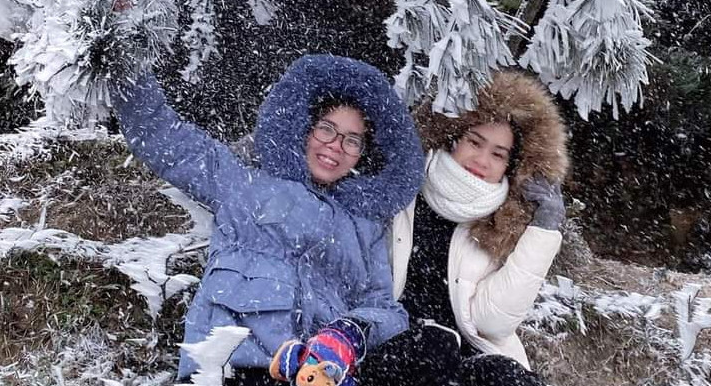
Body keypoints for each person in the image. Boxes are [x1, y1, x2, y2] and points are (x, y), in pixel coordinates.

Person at [109, 54, 425, 384]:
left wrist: (350, 332)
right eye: (327, 129)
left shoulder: (365, 227)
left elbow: (386, 310)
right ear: (305, 128)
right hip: (233, 368)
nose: (336, 146)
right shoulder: (243, 184)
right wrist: (123, 60)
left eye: (352, 140)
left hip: (313, 376)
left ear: (363, 154)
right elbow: (163, 137)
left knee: (435, 345)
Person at [357, 70, 570, 386]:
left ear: (509, 166)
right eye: (474, 141)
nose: (482, 160)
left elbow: (492, 323)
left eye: (498, 154)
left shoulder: (503, 222)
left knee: (509, 377)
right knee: (433, 345)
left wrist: (543, 232)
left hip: (468, 356)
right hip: (396, 347)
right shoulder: (399, 191)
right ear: (451, 137)